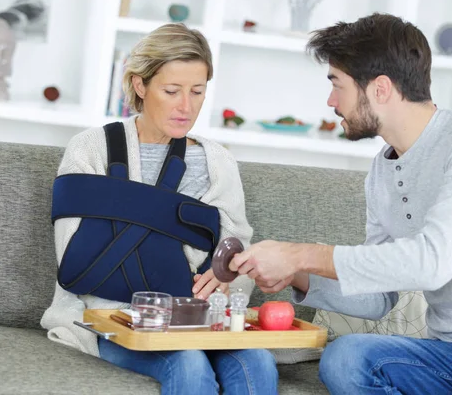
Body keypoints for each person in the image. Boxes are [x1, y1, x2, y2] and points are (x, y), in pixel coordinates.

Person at [229, 13, 452, 394]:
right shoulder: (381, 172)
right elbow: (378, 299)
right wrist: (297, 274)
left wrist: (299, 254)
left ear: (381, 89)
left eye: (337, 85)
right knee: (347, 358)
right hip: (448, 356)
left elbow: (432, 263)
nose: (330, 101)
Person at [41, 23, 278, 395]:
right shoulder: (90, 149)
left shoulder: (216, 161)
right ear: (140, 85)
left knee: (257, 360)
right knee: (186, 360)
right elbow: (78, 261)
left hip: (200, 319)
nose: (187, 106)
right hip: (111, 318)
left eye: (197, 92)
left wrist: (228, 272)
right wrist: (186, 255)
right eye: (172, 91)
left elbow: (235, 250)